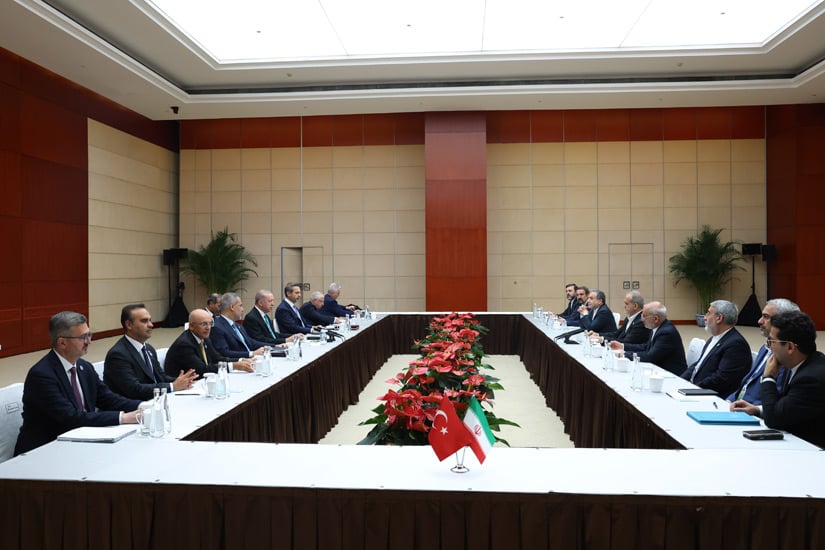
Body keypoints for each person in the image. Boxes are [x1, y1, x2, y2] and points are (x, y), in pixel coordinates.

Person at [14, 311, 142, 456]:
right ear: (62, 342)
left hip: (79, 442)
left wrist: (142, 406)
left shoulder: (84, 367)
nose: (89, 341)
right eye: (83, 337)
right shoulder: (41, 375)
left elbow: (107, 398)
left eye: (89, 335)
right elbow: (70, 418)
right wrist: (123, 418)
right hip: (44, 451)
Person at [731, 310, 825, 448]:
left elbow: (774, 420)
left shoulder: (811, 378)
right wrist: (758, 410)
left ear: (790, 347)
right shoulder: (799, 363)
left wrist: (768, 377)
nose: (769, 347)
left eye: (771, 341)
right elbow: (786, 407)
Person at [103, 304, 197, 400]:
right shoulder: (118, 355)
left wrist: (183, 380)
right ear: (129, 325)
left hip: (156, 400)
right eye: (144, 321)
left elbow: (160, 377)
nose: (151, 325)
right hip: (135, 406)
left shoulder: (148, 348)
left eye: (150, 320)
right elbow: (134, 390)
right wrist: (172, 386)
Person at [727, 298, 800, 404]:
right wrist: (729, 400)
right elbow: (747, 384)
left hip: (752, 410)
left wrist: (753, 409)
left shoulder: (786, 355)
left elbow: (775, 397)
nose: (759, 321)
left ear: (783, 321)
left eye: (766, 317)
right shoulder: (764, 348)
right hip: (737, 404)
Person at [680, 300, 752, 397]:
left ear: (719, 318)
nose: (705, 317)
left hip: (710, 396)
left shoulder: (736, 344)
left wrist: (693, 388)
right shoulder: (714, 338)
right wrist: (679, 380)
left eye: (708, 313)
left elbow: (721, 379)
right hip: (696, 389)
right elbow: (698, 365)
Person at [164, 309, 253, 377]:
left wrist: (240, 360)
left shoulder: (204, 337)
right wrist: (234, 366)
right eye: (204, 324)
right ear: (191, 326)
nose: (208, 327)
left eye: (210, 323)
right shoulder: (184, 345)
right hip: (182, 388)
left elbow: (217, 358)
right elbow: (203, 370)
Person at [609, 301, 687, 375]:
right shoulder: (657, 327)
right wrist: (622, 346)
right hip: (658, 369)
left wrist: (625, 354)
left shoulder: (666, 333)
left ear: (656, 319)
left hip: (671, 374)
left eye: (644, 316)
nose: (642, 319)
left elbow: (650, 357)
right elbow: (646, 347)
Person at [210, 292, 270, 361]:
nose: (243, 310)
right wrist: (252, 353)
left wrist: (273, 346)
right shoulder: (217, 327)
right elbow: (224, 353)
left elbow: (251, 342)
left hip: (252, 360)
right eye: (240, 306)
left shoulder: (237, 325)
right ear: (232, 307)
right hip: (239, 363)